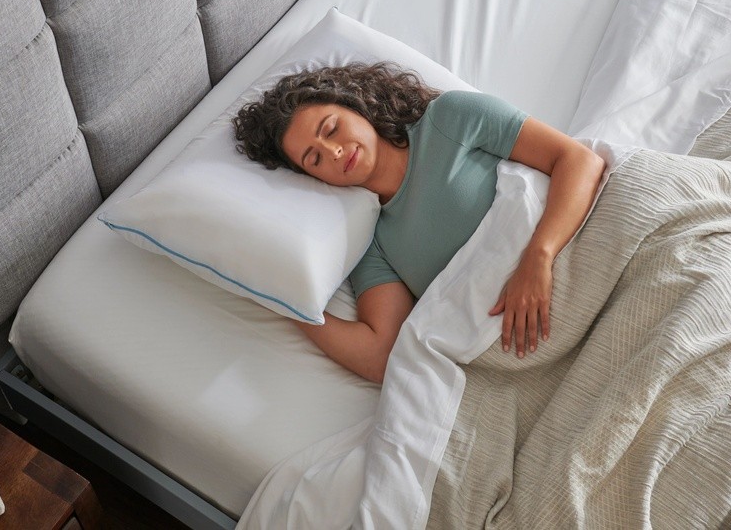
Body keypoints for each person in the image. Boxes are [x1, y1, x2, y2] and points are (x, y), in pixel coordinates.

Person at [233, 62, 605, 383]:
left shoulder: (449, 118)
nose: (334, 152)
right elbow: (380, 356)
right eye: (314, 159)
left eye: (331, 129)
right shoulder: (370, 240)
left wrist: (538, 257)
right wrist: (289, 303)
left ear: (354, 104)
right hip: (538, 340)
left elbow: (577, 160)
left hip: (587, 249)